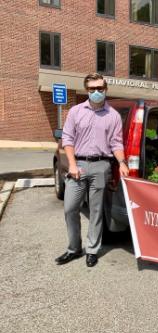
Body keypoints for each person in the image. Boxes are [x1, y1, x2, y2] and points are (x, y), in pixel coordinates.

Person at [55, 73, 129, 267]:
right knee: (70, 208)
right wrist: (71, 165)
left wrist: (121, 162)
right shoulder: (76, 111)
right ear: (86, 90)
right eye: (92, 89)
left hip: (101, 166)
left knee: (96, 211)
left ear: (106, 89)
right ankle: (74, 248)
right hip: (77, 164)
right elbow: (68, 140)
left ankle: (92, 250)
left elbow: (116, 143)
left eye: (100, 89)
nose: (96, 92)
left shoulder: (113, 115)